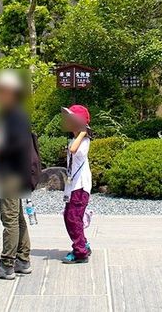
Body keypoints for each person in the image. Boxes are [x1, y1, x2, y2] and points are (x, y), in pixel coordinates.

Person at [0, 70, 34, 279]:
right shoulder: (14, 114)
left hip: (11, 172)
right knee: (17, 217)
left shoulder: (15, 115)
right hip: (14, 170)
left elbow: (19, 145)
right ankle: (22, 259)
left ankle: (7, 264)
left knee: (10, 219)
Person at [61, 105, 92, 264]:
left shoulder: (83, 140)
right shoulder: (75, 139)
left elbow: (73, 150)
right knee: (71, 217)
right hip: (73, 186)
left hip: (80, 186)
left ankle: (80, 252)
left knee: (73, 218)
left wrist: (82, 131)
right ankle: (83, 244)